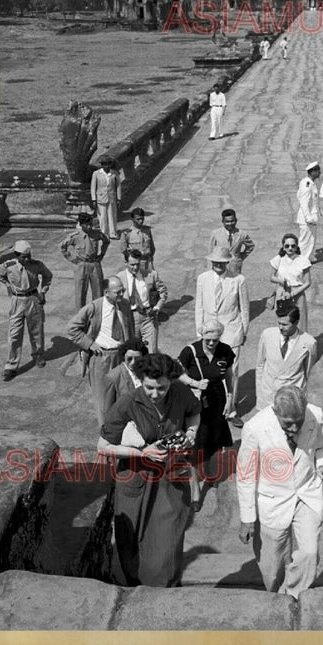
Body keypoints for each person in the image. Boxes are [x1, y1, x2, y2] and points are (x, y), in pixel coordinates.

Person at [98, 354, 200, 587]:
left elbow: (194, 412)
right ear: (140, 380)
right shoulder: (127, 403)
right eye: (149, 387)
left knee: (168, 544)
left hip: (171, 482)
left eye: (161, 388)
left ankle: (164, 594)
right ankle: (136, 590)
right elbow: (103, 447)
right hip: (135, 482)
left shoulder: (181, 393)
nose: (155, 394)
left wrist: (191, 434)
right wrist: (142, 453)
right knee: (131, 546)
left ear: (171, 382)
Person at [237, 386, 323, 598]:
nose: (294, 428)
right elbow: (246, 475)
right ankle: (277, 596)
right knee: (272, 568)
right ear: (275, 412)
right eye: (287, 423)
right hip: (272, 502)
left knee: (309, 553)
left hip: (306, 495)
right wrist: (247, 518)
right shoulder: (255, 428)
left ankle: (295, 596)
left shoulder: (315, 415)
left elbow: (321, 447)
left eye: (298, 422)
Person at [178, 319, 234, 506]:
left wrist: (230, 400)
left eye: (215, 340)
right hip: (195, 404)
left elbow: (229, 376)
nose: (211, 343)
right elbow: (177, 372)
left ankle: (210, 472)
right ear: (202, 335)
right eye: (207, 339)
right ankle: (195, 489)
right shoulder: (190, 352)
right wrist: (195, 383)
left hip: (217, 402)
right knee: (195, 445)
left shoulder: (225, 351)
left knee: (214, 440)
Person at [66, 276, 135, 425]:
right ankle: (106, 437)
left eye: (122, 290)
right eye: (118, 292)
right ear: (106, 292)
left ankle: (123, 433)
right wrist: (89, 344)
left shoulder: (124, 305)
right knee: (104, 402)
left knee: (126, 397)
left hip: (122, 358)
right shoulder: (94, 308)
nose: (121, 294)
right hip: (102, 359)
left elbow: (131, 328)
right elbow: (71, 328)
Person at [195, 247, 249, 412]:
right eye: (216, 261)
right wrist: (199, 331)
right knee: (208, 366)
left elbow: (244, 308)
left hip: (231, 330)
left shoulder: (238, 279)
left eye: (222, 262)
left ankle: (231, 408)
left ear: (227, 262)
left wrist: (243, 332)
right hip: (209, 331)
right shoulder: (203, 279)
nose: (218, 264)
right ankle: (211, 403)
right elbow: (199, 306)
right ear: (211, 261)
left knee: (231, 369)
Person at [0, 240, 53, 381]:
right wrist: (8, 285)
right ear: (17, 255)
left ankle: (38, 355)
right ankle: (11, 365)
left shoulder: (36, 265)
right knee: (14, 334)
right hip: (17, 301)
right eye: (23, 257)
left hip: (33, 299)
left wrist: (43, 292)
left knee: (36, 331)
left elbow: (48, 276)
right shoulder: (8, 265)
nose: (27, 259)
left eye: (28, 256)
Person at [255, 306, 318, 411]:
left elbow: (308, 371)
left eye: (284, 324)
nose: (280, 327)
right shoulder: (267, 334)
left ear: (296, 322)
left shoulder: (308, 342)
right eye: (279, 323)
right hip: (267, 395)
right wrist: (260, 392)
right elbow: (260, 364)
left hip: (291, 397)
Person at [117, 249, 168, 353]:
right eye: (132, 264)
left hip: (148, 317)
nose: (135, 267)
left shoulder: (151, 275)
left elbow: (163, 292)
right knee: (134, 351)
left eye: (137, 264)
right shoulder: (119, 278)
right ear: (125, 263)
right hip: (130, 318)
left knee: (151, 351)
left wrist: (157, 307)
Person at [59, 212, 109, 309]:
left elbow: (106, 241)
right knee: (80, 292)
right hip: (81, 265)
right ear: (81, 224)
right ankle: (81, 315)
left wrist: (102, 254)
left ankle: (97, 313)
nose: (89, 227)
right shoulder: (75, 236)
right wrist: (71, 258)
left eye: (90, 224)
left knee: (98, 291)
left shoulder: (96, 234)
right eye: (86, 224)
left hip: (94, 263)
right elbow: (62, 246)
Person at [270, 233, 312, 332]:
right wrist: (282, 281)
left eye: (293, 246)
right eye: (287, 246)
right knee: (283, 320)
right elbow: (271, 277)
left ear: (297, 247)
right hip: (282, 292)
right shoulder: (278, 259)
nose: (290, 248)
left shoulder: (303, 260)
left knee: (300, 321)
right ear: (283, 247)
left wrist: (293, 293)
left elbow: (307, 282)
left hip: (298, 293)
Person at [102, 337, 149, 416]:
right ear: (123, 357)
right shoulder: (113, 377)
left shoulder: (148, 370)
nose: (133, 363)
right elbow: (108, 410)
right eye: (129, 359)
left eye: (138, 359)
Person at [209, 208, 255, 275]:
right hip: (220, 266)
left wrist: (240, 257)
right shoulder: (216, 233)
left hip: (235, 267)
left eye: (232, 221)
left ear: (236, 221)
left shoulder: (242, 234)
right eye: (227, 222)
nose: (230, 224)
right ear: (223, 222)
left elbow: (250, 246)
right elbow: (211, 251)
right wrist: (211, 267)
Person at [90, 155, 121, 239]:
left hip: (111, 197)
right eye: (104, 164)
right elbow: (93, 187)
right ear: (102, 165)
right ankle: (104, 234)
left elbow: (118, 186)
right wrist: (94, 199)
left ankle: (113, 233)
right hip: (101, 197)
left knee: (112, 215)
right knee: (102, 217)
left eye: (108, 164)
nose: (106, 166)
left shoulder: (114, 173)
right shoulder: (96, 174)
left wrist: (119, 198)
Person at [296, 161, 321, 262]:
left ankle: (309, 257)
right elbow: (304, 202)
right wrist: (308, 217)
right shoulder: (307, 183)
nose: (320, 173)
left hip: (312, 216)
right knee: (304, 241)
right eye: (318, 171)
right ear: (312, 172)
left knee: (311, 239)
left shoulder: (312, 183)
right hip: (306, 218)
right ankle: (301, 261)